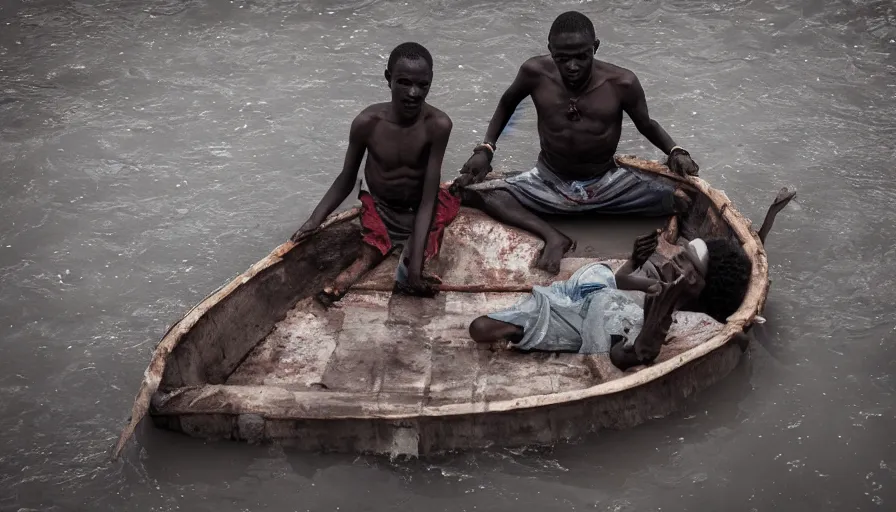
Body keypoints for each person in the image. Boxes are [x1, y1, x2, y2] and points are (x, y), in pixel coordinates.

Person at [455, 11, 700, 274]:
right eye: (562, 58)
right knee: (474, 193)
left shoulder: (622, 82)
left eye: (582, 56)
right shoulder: (534, 73)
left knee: (684, 199)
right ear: (550, 51)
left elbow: (646, 124)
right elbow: (506, 104)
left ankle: (577, 210)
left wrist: (675, 151)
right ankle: (553, 235)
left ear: (595, 47)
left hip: (608, 184)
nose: (572, 66)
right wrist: (485, 149)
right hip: (549, 180)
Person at [469, 187, 797, 370]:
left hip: (596, 318)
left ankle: (524, 327)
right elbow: (624, 281)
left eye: (687, 265)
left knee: (481, 328)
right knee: (601, 278)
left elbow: (626, 354)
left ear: (700, 286)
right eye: (681, 254)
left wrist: (656, 322)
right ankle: (545, 310)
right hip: (593, 295)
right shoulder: (658, 285)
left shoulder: (689, 319)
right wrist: (633, 262)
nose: (675, 261)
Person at [290, 42, 458, 305]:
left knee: (414, 263)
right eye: (404, 82)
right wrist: (315, 219)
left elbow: (428, 197)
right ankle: (346, 279)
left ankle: (384, 268)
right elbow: (347, 178)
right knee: (373, 249)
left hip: (419, 210)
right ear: (388, 78)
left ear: (431, 81)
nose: (414, 93)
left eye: (422, 85)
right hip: (381, 207)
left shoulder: (438, 125)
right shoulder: (367, 123)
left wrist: (414, 272)